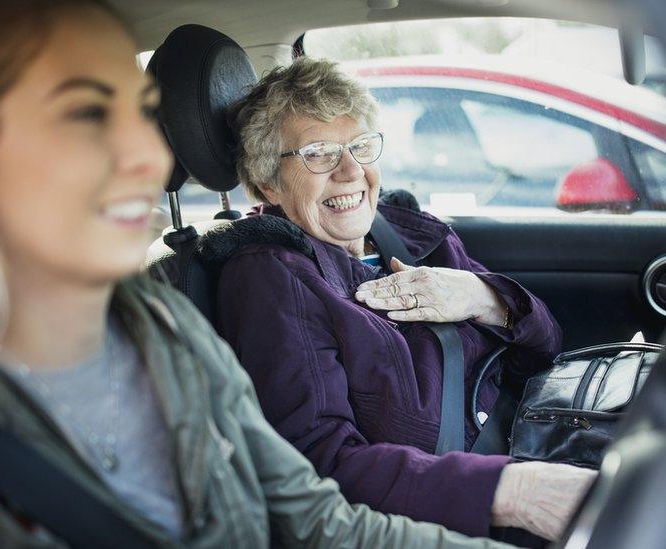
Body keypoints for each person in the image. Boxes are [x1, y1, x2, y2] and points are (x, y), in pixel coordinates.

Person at [0, 2, 512, 547]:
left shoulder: (162, 325)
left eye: (142, 113)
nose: (148, 152)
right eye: (87, 112)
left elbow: (320, 521)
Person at [210, 57, 596, 541]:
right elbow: (319, 466)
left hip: (539, 440)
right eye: (318, 153)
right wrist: (516, 491)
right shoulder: (274, 276)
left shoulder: (409, 232)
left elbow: (545, 348)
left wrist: (483, 298)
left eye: (360, 147)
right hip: (461, 513)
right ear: (270, 183)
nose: (350, 171)